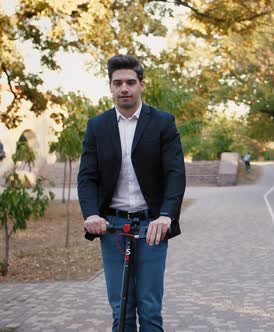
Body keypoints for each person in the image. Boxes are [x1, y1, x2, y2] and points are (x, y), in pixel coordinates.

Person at [77, 54, 186, 332]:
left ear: (141, 84)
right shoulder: (97, 126)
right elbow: (87, 176)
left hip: (152, 225)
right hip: (112, 226)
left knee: (149, 310)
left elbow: (175, 173)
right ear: (110, 87)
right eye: (117, 83)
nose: (124, 88)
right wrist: (91, 213)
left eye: (130, 82)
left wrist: (166, 216)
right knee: (121, 309)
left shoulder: (162, 122)